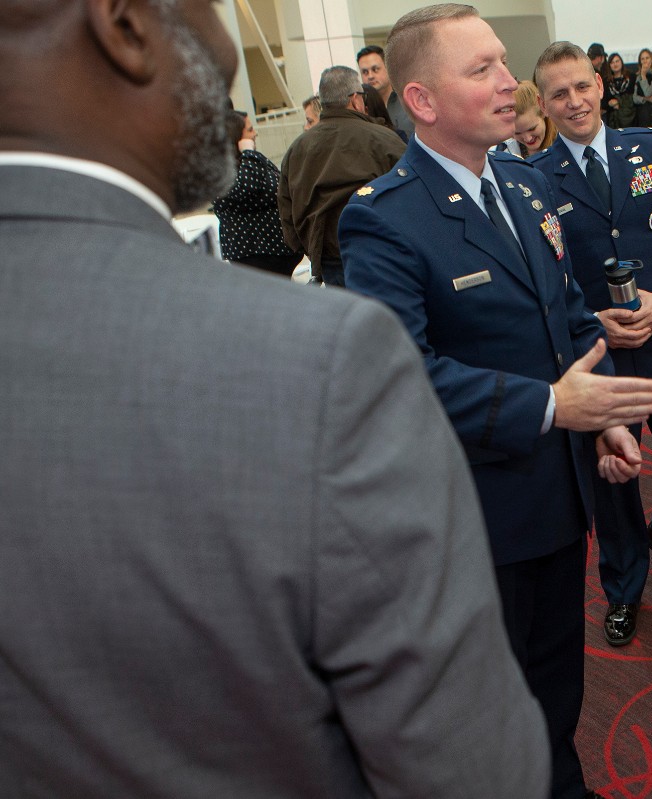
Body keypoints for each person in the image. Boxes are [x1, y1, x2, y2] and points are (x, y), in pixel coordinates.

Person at [0, 0, 551, 795]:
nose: (228, 59)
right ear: (122, 27)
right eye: (210, 13)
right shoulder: (320, 362)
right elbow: (472, 765)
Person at [339, 7, 652, 798]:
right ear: (421, 100)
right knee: (491, 700)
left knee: (556, 677)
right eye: (481, 68)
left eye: (502, 63)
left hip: (558, 489)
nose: (507, 83)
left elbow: (563, 315)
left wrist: (605, 416)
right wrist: (559, 408)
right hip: (474, 510)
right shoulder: (383, 218)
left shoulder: (522, 185)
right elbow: (399, 376)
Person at [531, 42, 652, 647]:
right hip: (599, 359)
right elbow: (544, 285)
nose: (574, 102)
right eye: (558, 94)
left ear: (600, 85)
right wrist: (593, 319)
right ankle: (624, 588)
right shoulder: (534, 179)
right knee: (615, 484)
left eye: (582, 87)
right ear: (542, 103)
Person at [278, 66, 404, 286]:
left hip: (328, 257)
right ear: (355, 100)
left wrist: (309, 249)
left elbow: (286, 209)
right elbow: (413, 193)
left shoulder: (297, 149)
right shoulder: (384, 140)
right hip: (383, 254)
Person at [212, 109, 303, 276]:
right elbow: (245, 187)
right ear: (236, 136)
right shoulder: (220, 168)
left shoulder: (250, 161)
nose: (255, 134)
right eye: (249, 130)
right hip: (255, 255)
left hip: (277, 254)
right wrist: (249, 152)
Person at [357, 43, 413, 139]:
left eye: (375, 69)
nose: (370, 76)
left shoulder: (408, 100)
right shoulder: (360, 109)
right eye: (365, 72)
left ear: (387, 68)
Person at [514, 80, 558, 157]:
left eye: (532, 129)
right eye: (517, 133)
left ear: (544, 110)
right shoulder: (501, 153)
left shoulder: (568, 143)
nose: (528, 138)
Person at [603, 52, 635, 128]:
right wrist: (610, 104)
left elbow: (634, 97)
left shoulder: (631, 77)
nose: (615, 64)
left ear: (622, 62)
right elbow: (603, 101)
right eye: (612, 62)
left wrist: (619, 102)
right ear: (609, 65)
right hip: (613, 120)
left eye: (617, 61)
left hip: (630, 117)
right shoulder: (606, 81)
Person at [633, 48, 652, 128]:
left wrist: (643, 75)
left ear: (651, 59)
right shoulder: (638, 77)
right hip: (642, 115)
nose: (645, 61)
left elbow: (648, 92)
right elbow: (635, 98)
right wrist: (647, 99)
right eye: (642, 59)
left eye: (647, 58)